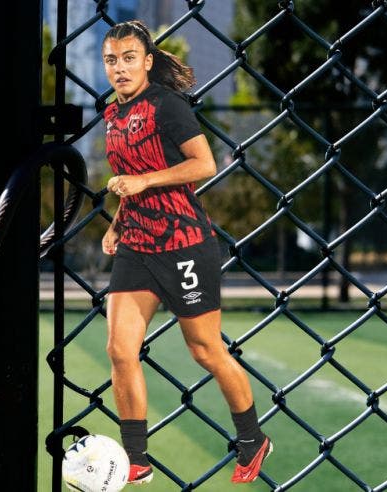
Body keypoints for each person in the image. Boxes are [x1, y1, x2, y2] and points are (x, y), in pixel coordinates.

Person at [100, 20, 272, 485]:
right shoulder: (111, 114)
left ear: (148, 61)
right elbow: (129, 174)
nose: (120, 68)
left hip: (184, 245)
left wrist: (143, 183)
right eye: (111, 60)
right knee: (119, 349)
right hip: (137, 244)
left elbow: (204, 163)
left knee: (204, 349)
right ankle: (136, 459)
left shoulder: (166, 105)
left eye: (129, 57)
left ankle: (252, 437)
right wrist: (118, 222)